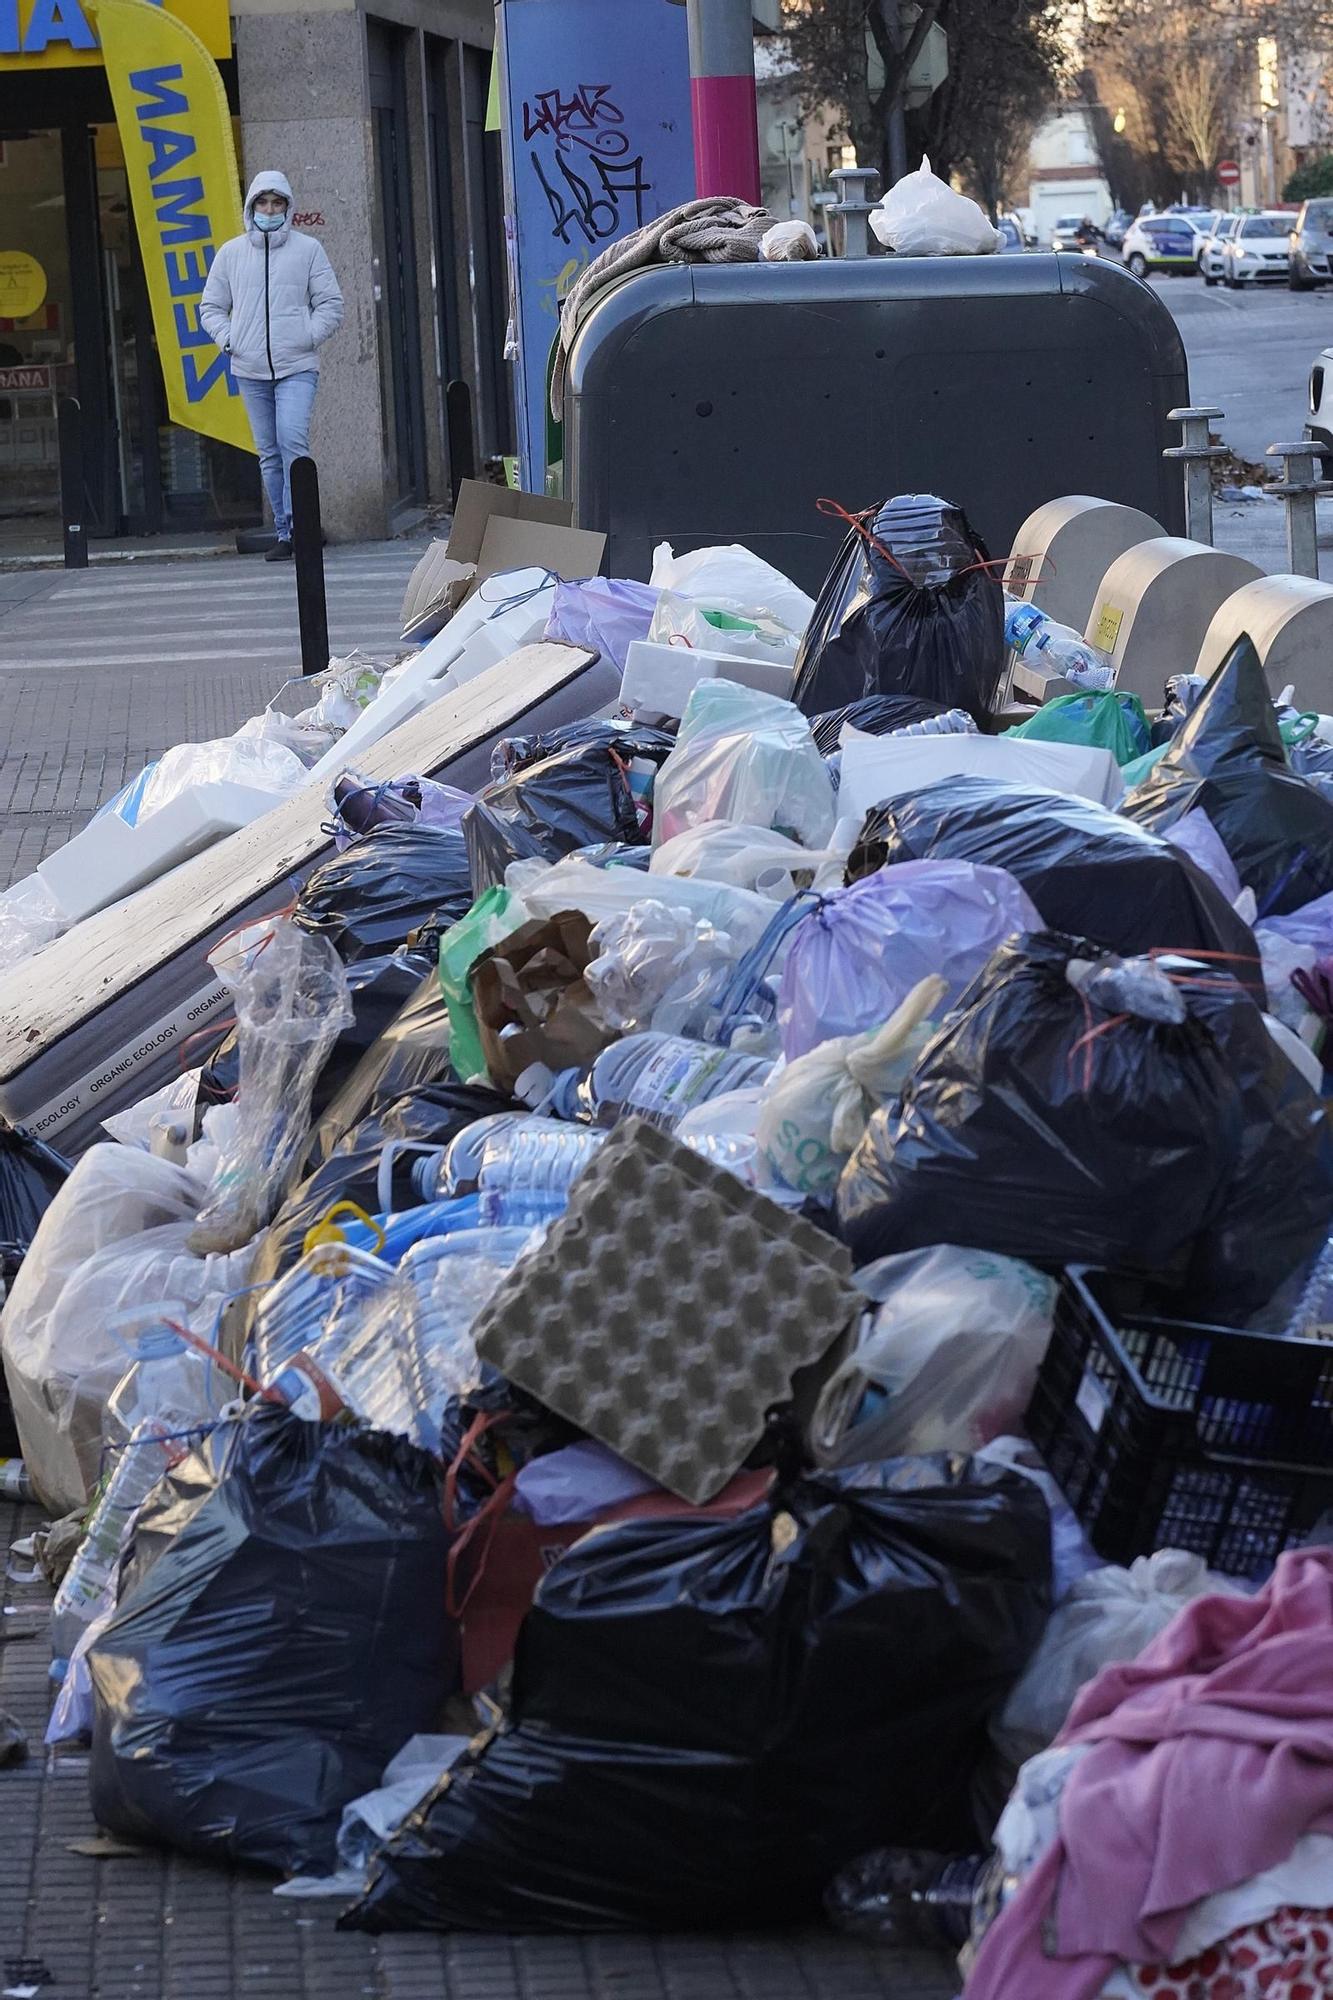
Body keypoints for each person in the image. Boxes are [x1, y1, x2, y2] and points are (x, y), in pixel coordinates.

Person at [200, 171, 343, 561]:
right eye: (262, 203)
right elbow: (210, 307)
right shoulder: (231, 254)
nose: (269, 210)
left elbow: (331, 303)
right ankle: (285, 531)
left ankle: (303, 527)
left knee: (292, 440)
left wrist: (306, 335)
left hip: (297, 366)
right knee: (268, 451)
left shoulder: (308, 249)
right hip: (249, 369)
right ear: (251, 207)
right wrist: (230, 339)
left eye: (276, 203)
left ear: (287, 207)